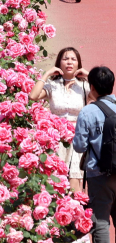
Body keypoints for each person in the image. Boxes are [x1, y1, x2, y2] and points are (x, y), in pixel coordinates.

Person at [72, 65, 116, 243]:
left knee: (101, 217)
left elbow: (79, 146)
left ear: (91, 87)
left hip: (99, 173)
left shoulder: (88, 111)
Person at [31, 47, 91, 197]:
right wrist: (46, 74)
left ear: (79, 64)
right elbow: (33, 96)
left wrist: (90, 76)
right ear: (59, 63)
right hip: (56, 139)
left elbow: (103, 96)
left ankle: (76, 216)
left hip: (77, 139)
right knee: (55, 181)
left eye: (73, 59)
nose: (69, 62)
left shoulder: (84, 86)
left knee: (75, 182)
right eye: (65, 59)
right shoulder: (53, 85)